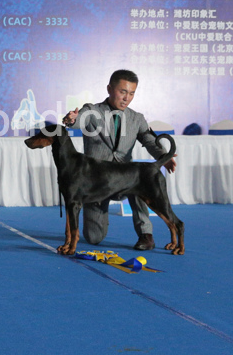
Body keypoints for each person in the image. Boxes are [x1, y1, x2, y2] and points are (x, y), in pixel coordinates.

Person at [62, 69, 177, 251]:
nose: (126, 98)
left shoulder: (137, 118)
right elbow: (78, 120)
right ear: (109, 89)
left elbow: (149, 140)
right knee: (93, 238)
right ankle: (98, 223)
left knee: (141, 179)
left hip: (126, 178)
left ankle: (146, 235)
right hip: (97, 182)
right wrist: (71, 120)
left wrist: (163, 156)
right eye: (123, 92)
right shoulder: (92, 111)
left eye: (131, 93)